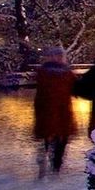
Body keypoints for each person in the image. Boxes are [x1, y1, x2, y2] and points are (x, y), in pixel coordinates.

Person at [32, 47, 76, 176]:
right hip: (49, 110)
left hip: (61, 110)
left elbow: (75, 88)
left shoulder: (67, 73)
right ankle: (50, 164)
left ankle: (55, 164)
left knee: (60, 138)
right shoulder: (44, 72)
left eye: (59, 56)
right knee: (50, 136)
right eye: (54, 56)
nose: (57, 58)